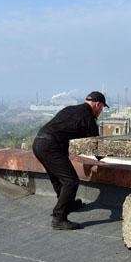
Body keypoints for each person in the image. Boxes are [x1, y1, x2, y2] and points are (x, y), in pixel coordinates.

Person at [32, 91, 108, 230]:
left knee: (57, 178)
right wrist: (108, 156)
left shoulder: (71, 109)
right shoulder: (88, 117)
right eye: (102, 108)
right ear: (97, 104)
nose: (100, 112)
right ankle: (59, 218)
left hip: (38, 143)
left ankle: (69, 204)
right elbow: (96, 147)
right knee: (71, 181)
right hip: (51, 146)